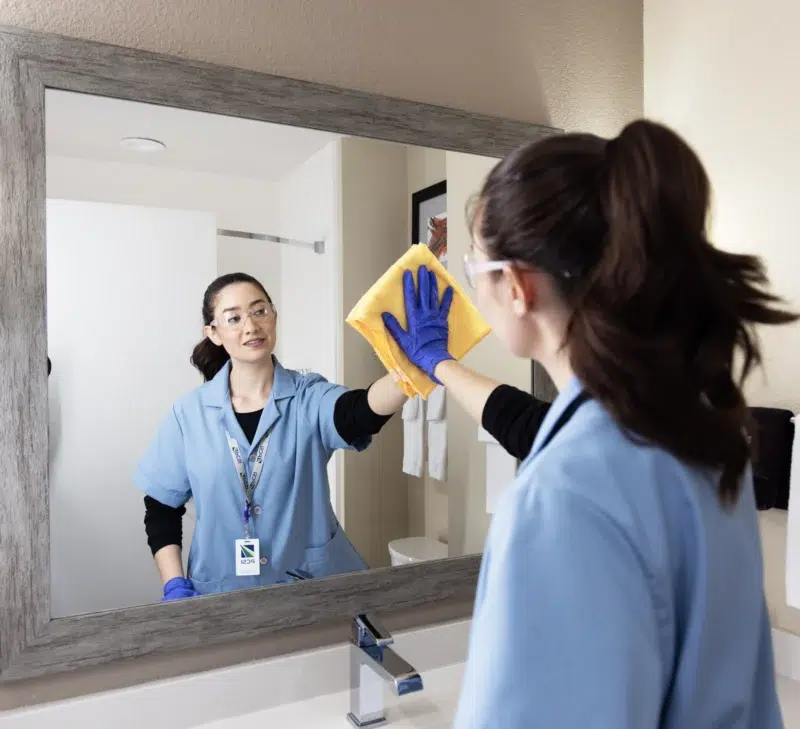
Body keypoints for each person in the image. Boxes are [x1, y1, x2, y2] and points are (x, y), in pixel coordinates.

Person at [383, 120, 793, 728]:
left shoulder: (563, 497)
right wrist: (440, 363)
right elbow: (536, 425)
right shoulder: (691, 427)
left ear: (517, 286)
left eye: (475, 268)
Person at [135, 272, 408, 600]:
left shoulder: (307, 395)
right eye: (233, 318)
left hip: (310, 586)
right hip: (221, 588)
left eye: (259, 310)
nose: (250, 326)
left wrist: (407, 371)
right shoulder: (189, 414)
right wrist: (174, 583)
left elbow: (358, 413)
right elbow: (162, 506)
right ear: (214, 333)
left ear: (274, 316)